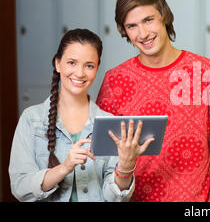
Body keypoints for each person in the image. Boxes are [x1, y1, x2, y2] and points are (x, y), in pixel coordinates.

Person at [96, 0, 210, 202]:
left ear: (164, 15)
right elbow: (103, 160)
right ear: (123, 30)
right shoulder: (115, 80)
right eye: (132, 26)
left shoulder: (207, 72)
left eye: (148, 20)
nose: (143, 33)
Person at [9, 29, 153, 202]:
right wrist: (65, 167)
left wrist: (126, 167)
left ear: (97, 68)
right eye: (72, 63)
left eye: (89, 65)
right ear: (57, 63)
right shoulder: (31, 119)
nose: (80, 73)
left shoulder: (109, 122)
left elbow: (115, 199)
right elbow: (20, 187)